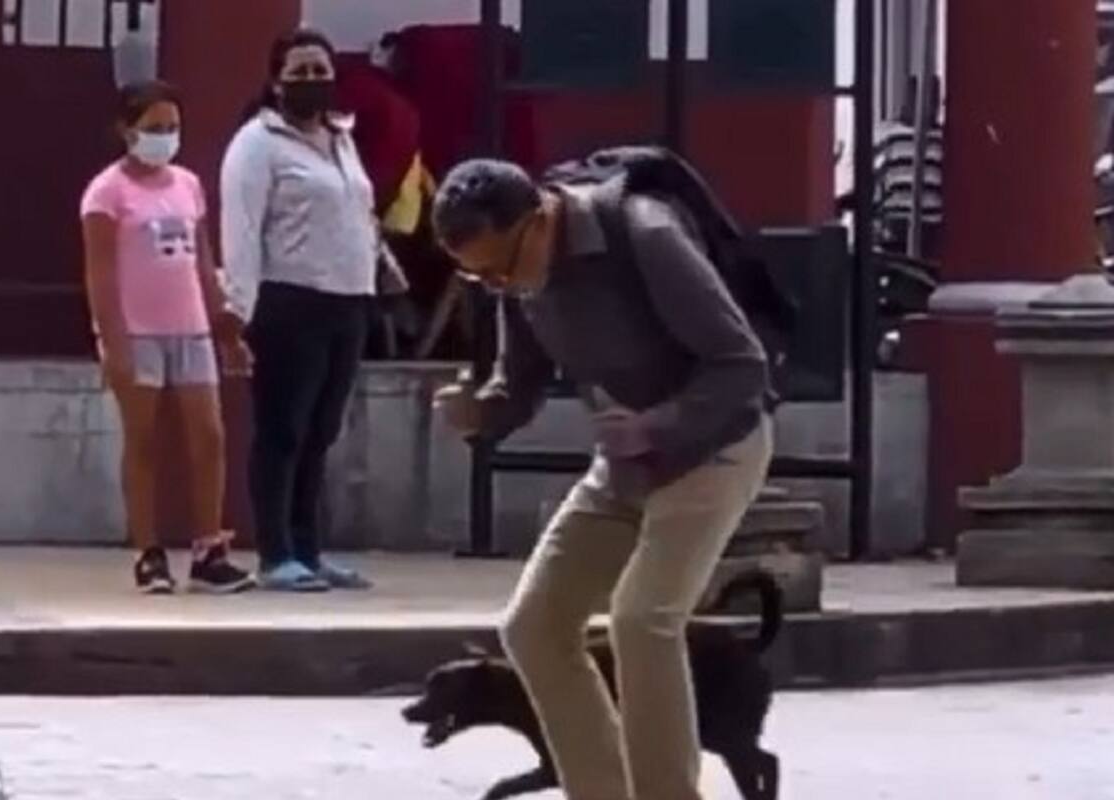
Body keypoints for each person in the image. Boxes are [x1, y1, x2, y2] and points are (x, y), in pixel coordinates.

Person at [431, 159, 774, 800]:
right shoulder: (516, 281)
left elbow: (742, 366)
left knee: (643, 620)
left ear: (539, 219)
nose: (498, 285)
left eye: (501, 268)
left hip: (715, 447)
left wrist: (655, 427)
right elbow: (520, 383)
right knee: (534, 626)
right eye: (478, 277)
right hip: (623, 468)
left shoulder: (645, 234)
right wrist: (480, 410)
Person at [80, 80, 255, 595]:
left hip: (192, 328)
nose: (164, 137)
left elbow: (202, 261)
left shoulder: (188, 185)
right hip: (138, 332)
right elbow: (101, 275)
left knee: (209, 436)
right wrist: (114, 344)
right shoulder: (106, 193)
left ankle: (209, 549)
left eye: (172, 128)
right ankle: (148, 551)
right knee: (145, 440)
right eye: (154, 128)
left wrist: (225, 326)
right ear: (126, 130)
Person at [219, 29, 377, 592]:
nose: (313, 81)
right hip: (288, 304)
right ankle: (275, 552)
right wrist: (236, 313)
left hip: (349, 301)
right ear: (276, 80)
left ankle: (310, 549)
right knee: (282, 431)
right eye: (300, 71)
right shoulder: (257, 145)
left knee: (320, 433)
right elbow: (240, 232)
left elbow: (359, 211)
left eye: (320, 70)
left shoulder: (342, 139)